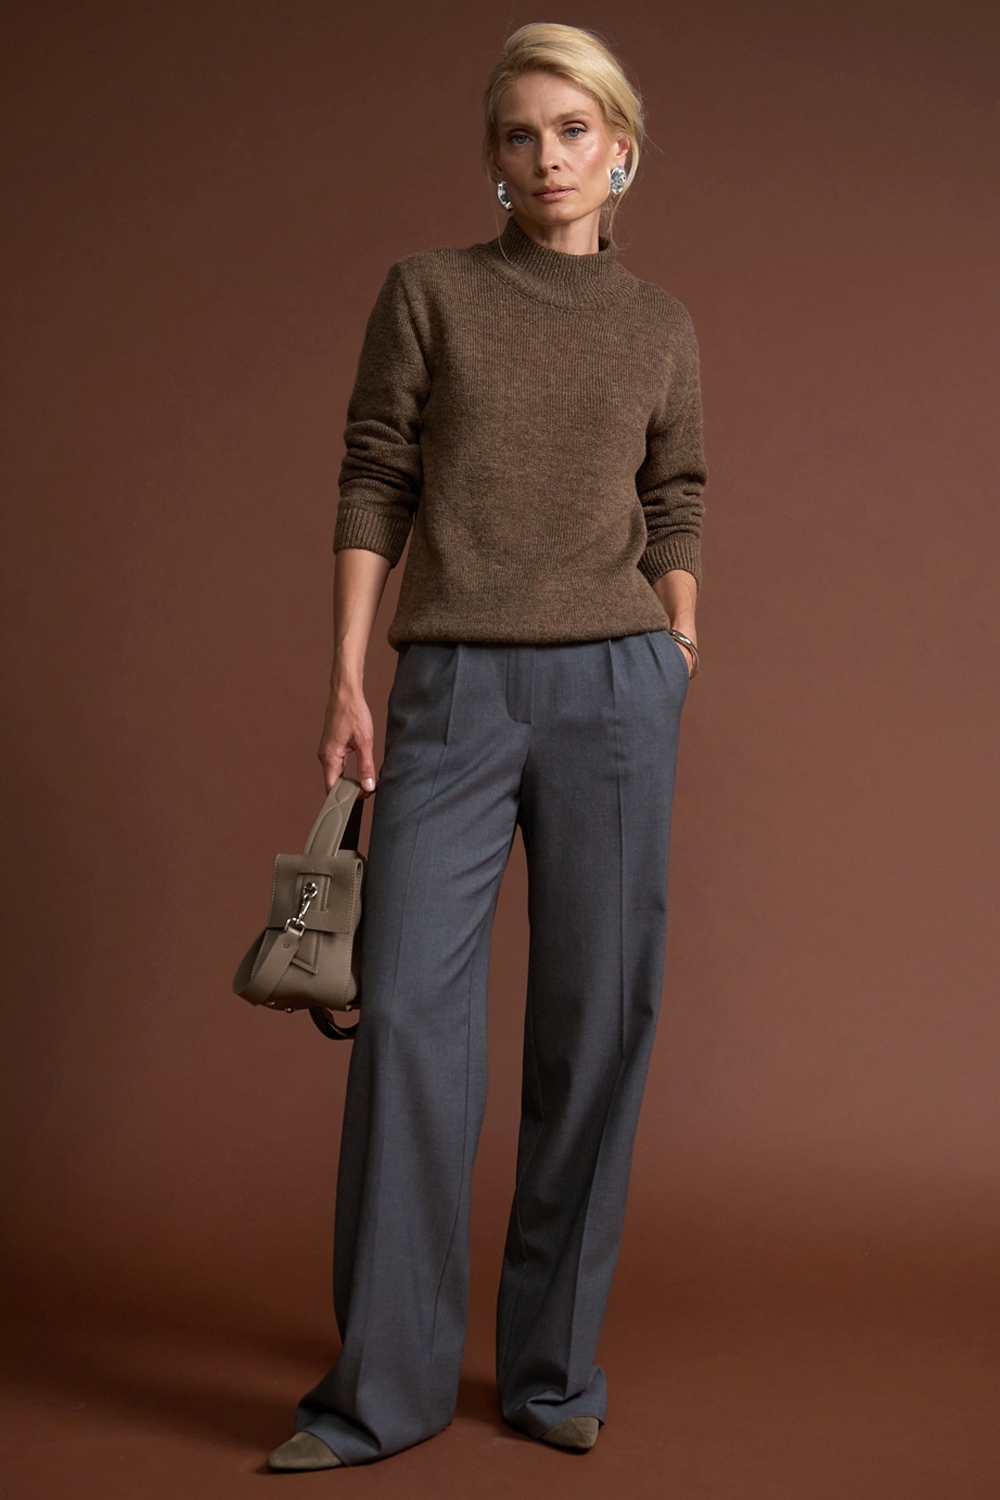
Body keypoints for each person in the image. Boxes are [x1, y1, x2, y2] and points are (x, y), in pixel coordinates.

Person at [267, 21, 707, 1472]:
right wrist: (348, 674)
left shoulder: (659, 323)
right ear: (494, 160)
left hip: (617, 695)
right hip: (452, 685)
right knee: (404, 1017)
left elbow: (677, 493)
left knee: (598, 1021)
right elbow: (375, 473)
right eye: (520, 135)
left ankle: (552, 1371)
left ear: (619, 151)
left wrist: (677, 638)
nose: (546, 157)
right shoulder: (430, 292)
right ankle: (378, 1393)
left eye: (572, 130)